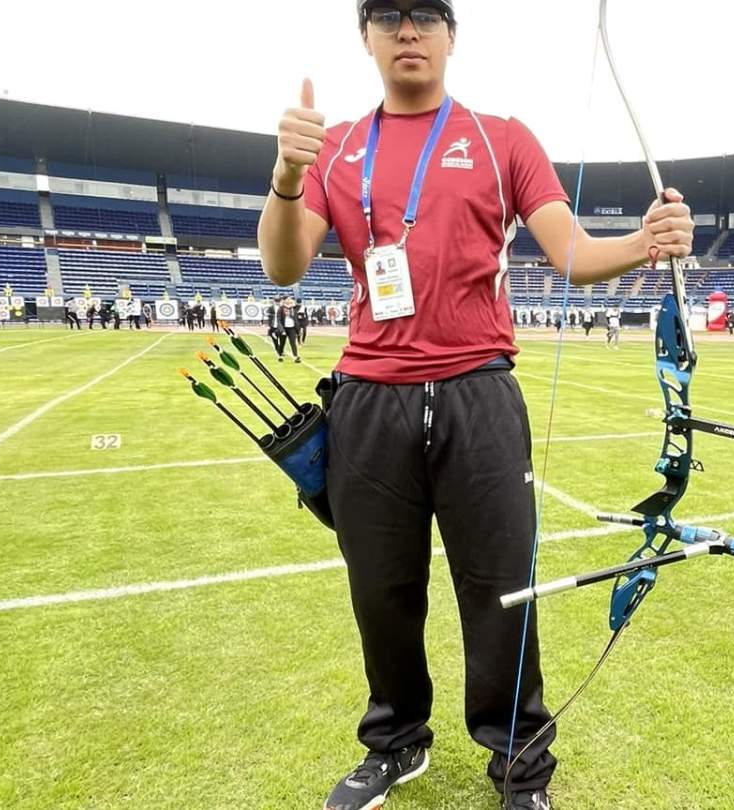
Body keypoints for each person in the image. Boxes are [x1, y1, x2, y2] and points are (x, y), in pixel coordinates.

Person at [256, 4, 693, 805]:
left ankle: (520, 764)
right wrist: (286, 177)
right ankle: (394, 742)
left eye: (426, 14)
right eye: (387, 16)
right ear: (366, 37)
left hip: (480, 396)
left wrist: (647, 242)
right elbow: (283, 266)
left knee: (501, 589)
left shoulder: (504, 139)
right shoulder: (338, 147)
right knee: (381, 591)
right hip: (368, 400)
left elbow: (570, 250)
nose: (408, 30)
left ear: (452, 33)